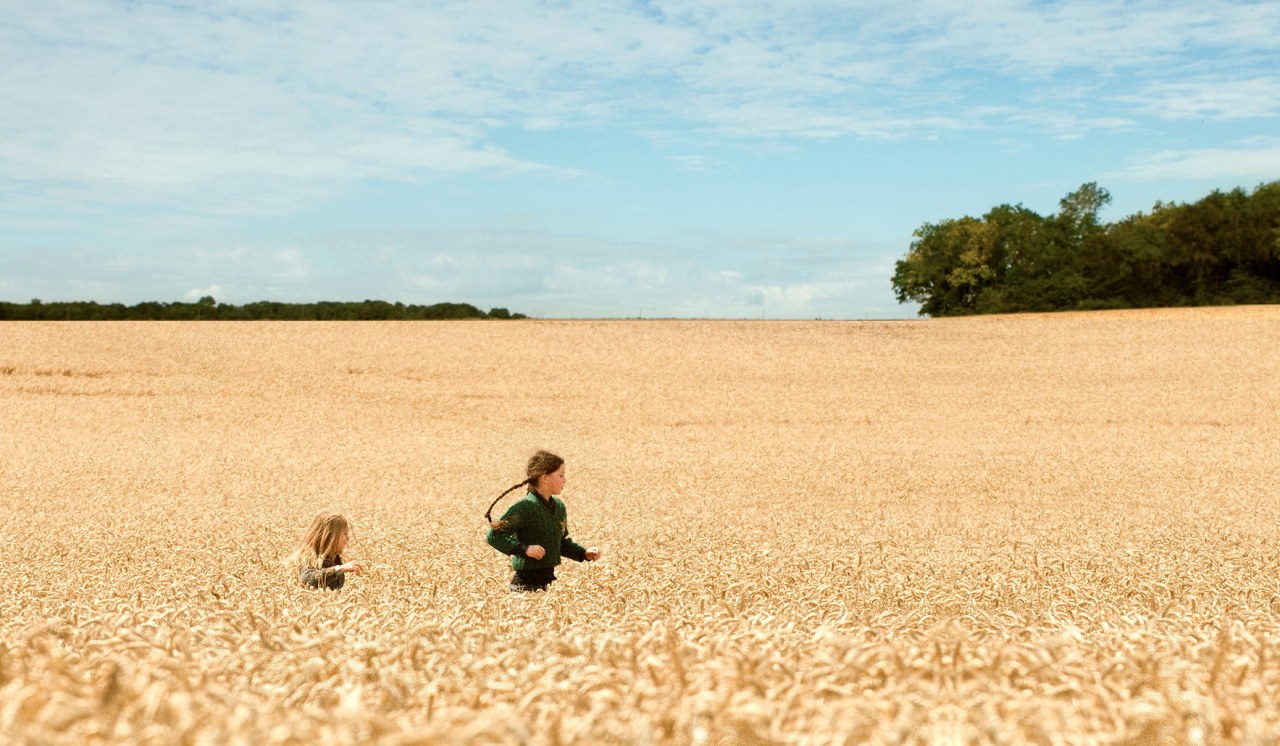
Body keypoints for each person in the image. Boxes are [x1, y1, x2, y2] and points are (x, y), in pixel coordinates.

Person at [486, 450, 601, 592]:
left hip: (547, 585)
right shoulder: (524, 507)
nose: (565, 480)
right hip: (524, 586)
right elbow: (493, 536)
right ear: (545, 478)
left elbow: (560, 542)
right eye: (561, 475)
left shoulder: (558, 506)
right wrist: (525, 549)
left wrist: (583, 553)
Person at [287, 512, 363, 590]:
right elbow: (307, 579)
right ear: (330, 536)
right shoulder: (310, 557)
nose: (348, 538)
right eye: (345, 533)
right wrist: (339, 569)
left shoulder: (333, 557)